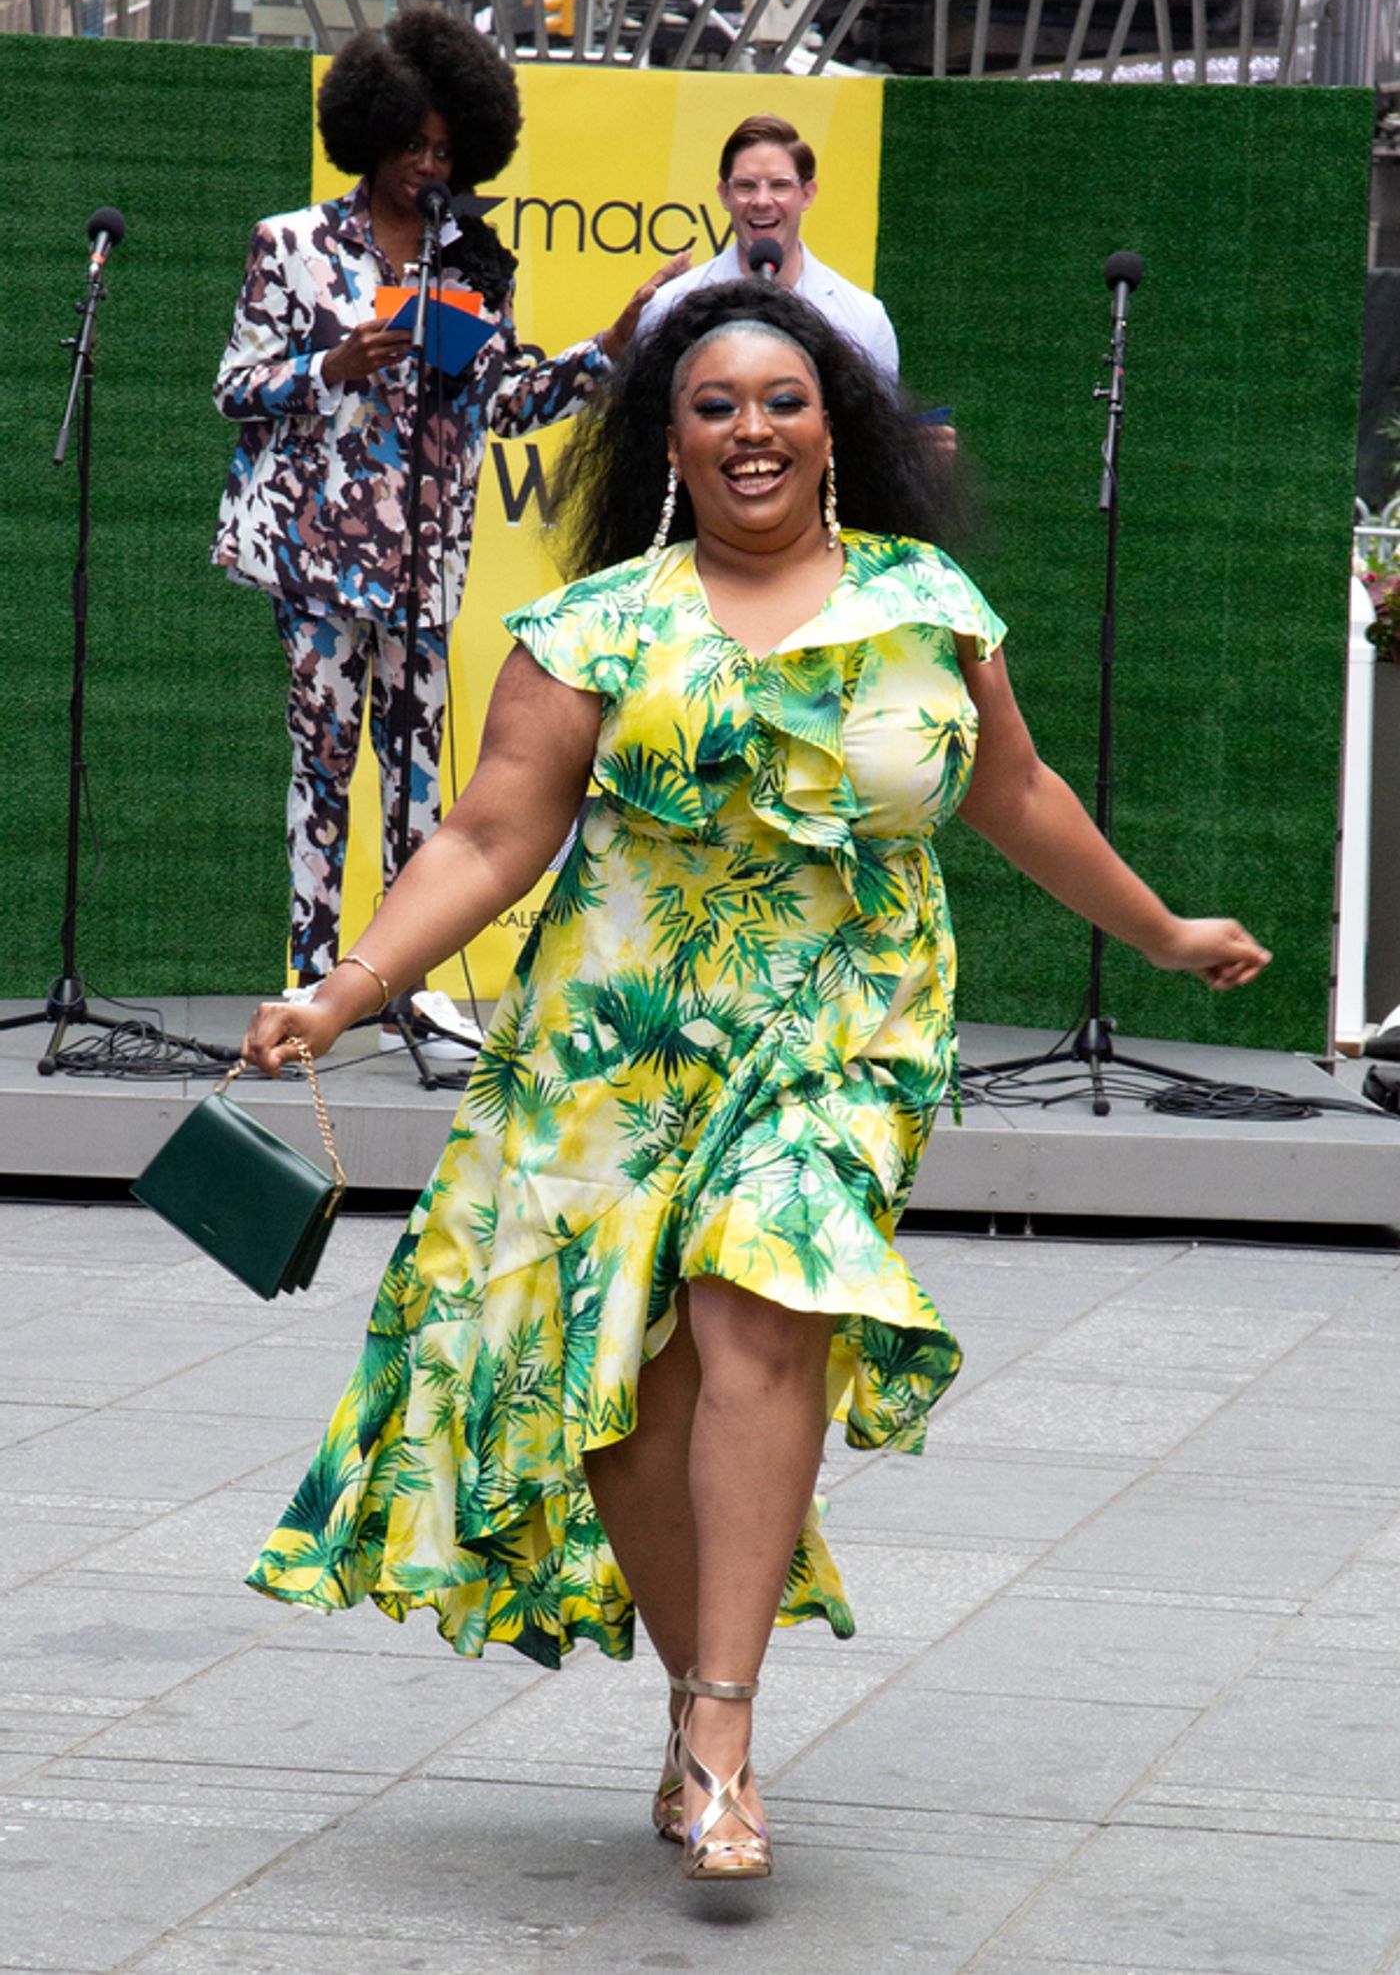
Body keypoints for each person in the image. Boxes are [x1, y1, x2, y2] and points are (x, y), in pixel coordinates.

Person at [240, 281, 1268, 1882]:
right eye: (715, 406)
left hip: (844, 1026)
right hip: (614, 1041)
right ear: (673, 439)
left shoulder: (926, 605)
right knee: (621, 1407)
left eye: (781, 400)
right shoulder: (598, 626)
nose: (752, 430)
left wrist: (1161, 931)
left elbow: (1017, 792)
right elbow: (491, 837)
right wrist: (350, 990)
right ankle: (693, 1701)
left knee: (759, 1291)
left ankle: (721, 1734)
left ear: (833, 428)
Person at [211, 7, 680, 1045]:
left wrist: (606, 347)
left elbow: (502, 405)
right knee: (323, 769)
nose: (428, 164)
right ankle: (308, 976)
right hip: (320, 556)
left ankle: (404, 984)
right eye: (412, 144)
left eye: (443, 149)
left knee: (421, 781)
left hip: (424, 562)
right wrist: (328, 366)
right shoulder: (288, 245)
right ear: (368, 137)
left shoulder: (474, 261)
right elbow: (234, 389)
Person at [636, 112, 900, 382]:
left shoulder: (864, 318)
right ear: (724, 195)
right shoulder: (669, 307)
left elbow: (878, 421)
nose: (762, 201)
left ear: (807, 194)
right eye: (746, 186)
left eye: (780, 185)